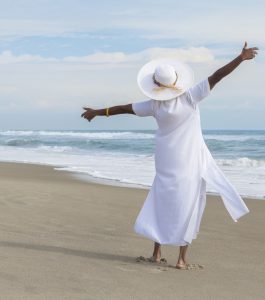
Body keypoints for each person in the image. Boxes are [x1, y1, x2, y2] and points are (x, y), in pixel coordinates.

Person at [81, 42, 258, 270]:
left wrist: (97, 112)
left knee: (161, 202)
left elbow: (124, 108)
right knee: (189, 205)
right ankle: (181, 259)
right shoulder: (190, 97)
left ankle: (157, 253)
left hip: (166, 162)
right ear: (176, 80)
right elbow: (217, 76)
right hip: (190, 162)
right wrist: (240, 58)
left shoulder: (154, 105)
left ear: (155, 85)